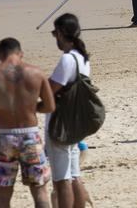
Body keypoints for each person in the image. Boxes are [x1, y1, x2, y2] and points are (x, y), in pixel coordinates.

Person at [0, 38, 54, 208]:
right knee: (39, 191)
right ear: (21, 53)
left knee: (3, 195)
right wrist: (30, 107)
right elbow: (49, 106)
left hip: (6, 138)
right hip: (30, 136)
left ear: (0, 55)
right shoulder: (36, 73)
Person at [46, 14, 92, 208]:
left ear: (62, 33)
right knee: (74, 175)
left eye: (55, 33)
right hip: (75, 119)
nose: (54, 37)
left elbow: (51, 89)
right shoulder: (83, 58)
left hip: (61, 121)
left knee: (61, 179)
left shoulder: (67, 59)